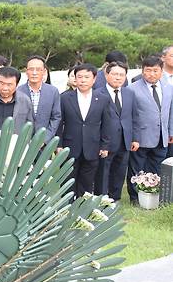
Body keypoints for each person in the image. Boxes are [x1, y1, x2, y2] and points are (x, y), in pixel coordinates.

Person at [56, 64, 114, 197]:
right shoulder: (65, 98)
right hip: (70, 146)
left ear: (94, 79)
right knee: (67, 180)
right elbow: (59, 122)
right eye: (79, 77)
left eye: (87, 77)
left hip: (93, 146)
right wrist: (58, 144)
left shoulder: (103, 99)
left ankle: (82, 209)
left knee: (87, 181)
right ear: (75, 79)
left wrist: (105, 145)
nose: (83, 80)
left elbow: (106, 124)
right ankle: (66, 209)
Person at [127, 55, 173, 203]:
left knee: (157, 168)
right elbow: (129, 116)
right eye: (148, 70)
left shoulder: (168, 88)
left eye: (155, 70)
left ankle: (154, 196)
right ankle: (135, 198)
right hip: (140, 137)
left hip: (162, 136)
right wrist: (133, 137)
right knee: (137, 169)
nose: (151, 74)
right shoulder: (131, 89)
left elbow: (170, 111)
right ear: (142, 71)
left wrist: (170, 132)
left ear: (161, 71)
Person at [94, 62, 139, 200]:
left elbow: (135, 117)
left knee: (119, 172)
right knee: (103, 172)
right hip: (105, 142)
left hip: (125, 140)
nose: (118, 78)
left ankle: (115, 199)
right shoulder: (97, 93)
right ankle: (101, 199)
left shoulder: (129, 93)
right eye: (114, 74)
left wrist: (135, 138)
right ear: (107, 75)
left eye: (122, 75)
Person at [17, 56, 61, 143]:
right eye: (31, 69)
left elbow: (56, 117)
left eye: (38, 69)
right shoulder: (18, 91)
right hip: (22, 142)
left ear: (44, 72)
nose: (34, 73)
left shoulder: (53, 91)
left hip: (44, 143)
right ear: (26, 72)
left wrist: (45, 138)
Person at [0, 66, 34, 133]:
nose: (5, 88)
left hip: (14, 142)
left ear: (17, 84)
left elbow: (29, 126)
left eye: (9, 84)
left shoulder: (25, 101)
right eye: (2, 83)